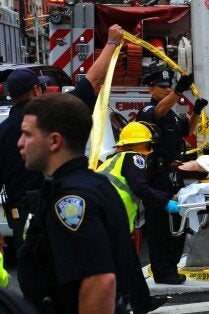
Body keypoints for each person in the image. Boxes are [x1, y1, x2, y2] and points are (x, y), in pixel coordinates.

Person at [0, 24, 125, 250]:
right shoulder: (55, 115)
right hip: (59, 209)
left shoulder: (3, 130)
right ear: (37, 90)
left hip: (20, 216)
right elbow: (92, 81)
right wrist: (112, 43)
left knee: (34, 274)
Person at [16, 93, 132, 312]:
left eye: (26, 134)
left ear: (54, 141)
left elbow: (99, 282)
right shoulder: (94, 184)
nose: (20, 143)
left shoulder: (70, 201)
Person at [96, 122, 179, 312]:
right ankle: (122, 304)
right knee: (120, 266)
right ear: (144, 144)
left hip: (106, 216)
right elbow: (140, 187)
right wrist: (165, 202)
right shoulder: (134, 158)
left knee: (130, 262)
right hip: (112, 219)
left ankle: (142, 302)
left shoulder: (113, 160)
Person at [134, 69, 207, 285]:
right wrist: (178, 91)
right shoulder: (148, 110)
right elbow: (157, 111)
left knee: (176, 223)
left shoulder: (172, 113)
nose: (167, 89)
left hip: (174, 174)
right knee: (159, 228)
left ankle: (172, 268)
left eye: (169, 86)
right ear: (151, 89)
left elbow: (187, 131)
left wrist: (197, 111)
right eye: (163, 86)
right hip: (157, 176)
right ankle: (162, 272)